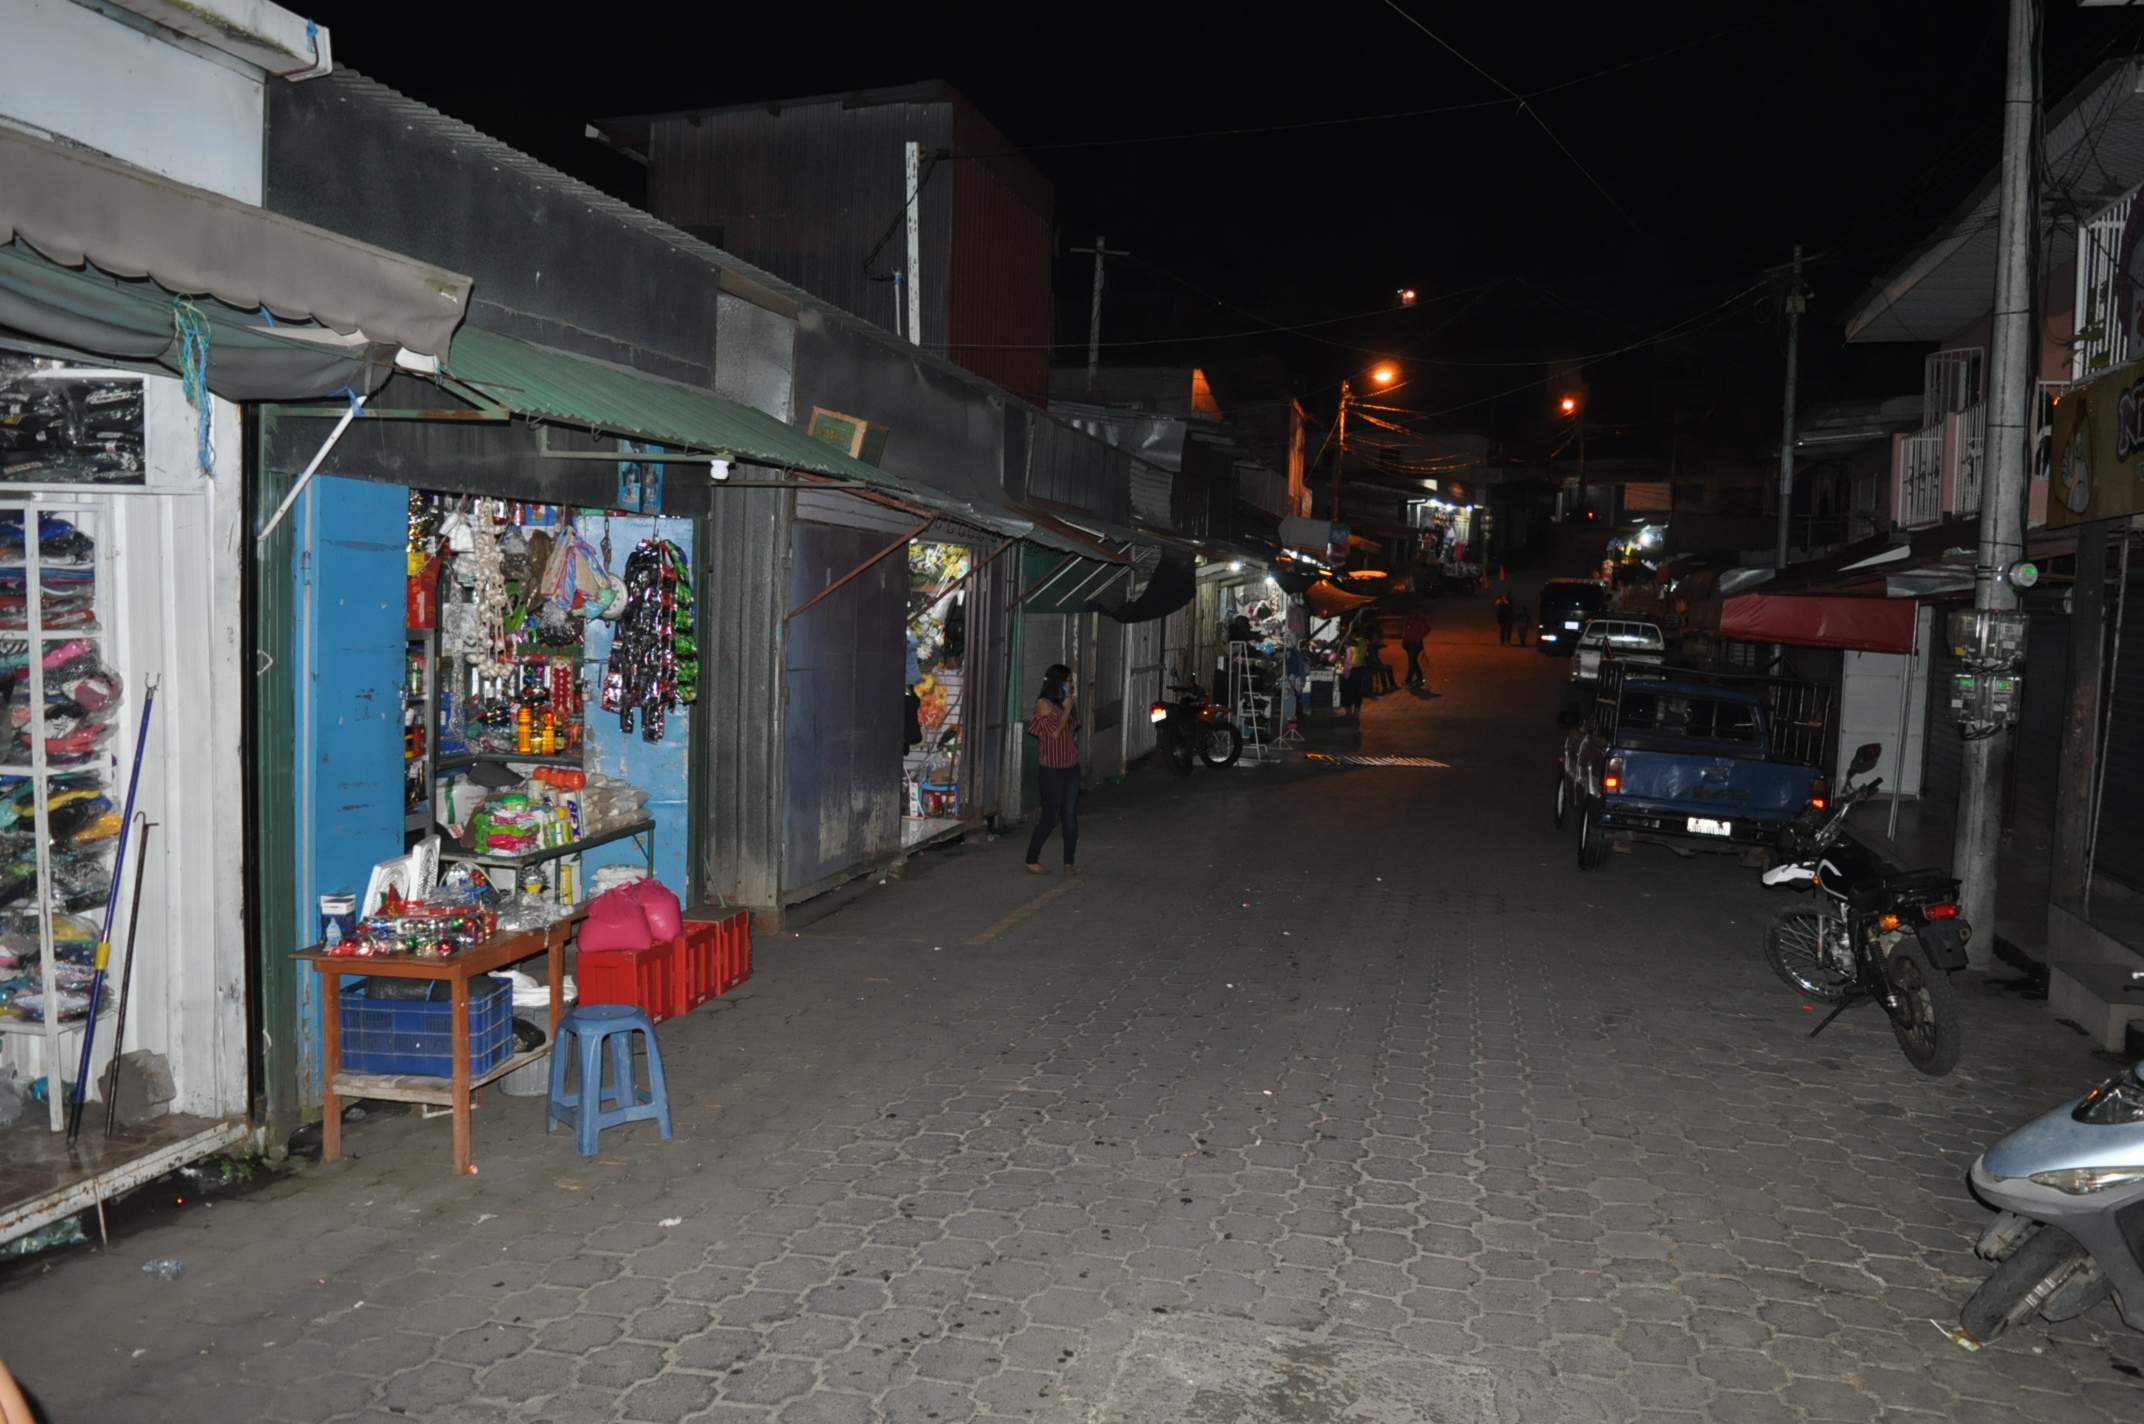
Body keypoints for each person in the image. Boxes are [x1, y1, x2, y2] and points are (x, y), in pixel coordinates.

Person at [1024, 664, 1082, 874]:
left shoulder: (1067, 702)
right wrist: (1066, 709)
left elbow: (1071, 730)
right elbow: (1055, 734)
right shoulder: (1045, 704)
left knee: (1070, 815)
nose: (1072, 684)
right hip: (1052, 769)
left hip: (1070, 766)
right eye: (1068, 680)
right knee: (1051, 816)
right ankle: (1031, 858)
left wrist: (1069, 708)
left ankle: (1069, 861)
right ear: (1058, 682)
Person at [1401, 612, 1431, 687]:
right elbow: (1407, 630)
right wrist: (1404, 639)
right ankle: (1419, 678)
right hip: (1409, 642)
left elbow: (1428, 629)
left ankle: (1409, 679)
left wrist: (1420, 637)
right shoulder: (1410, 619)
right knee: (1413, 661)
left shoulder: (1420, 620)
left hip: (1415, 643)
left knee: (1412, 661)